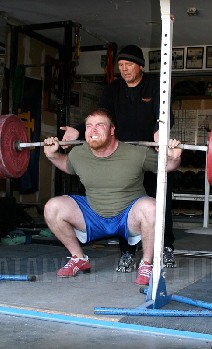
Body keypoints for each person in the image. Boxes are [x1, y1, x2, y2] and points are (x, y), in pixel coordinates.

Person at [61, 45, 177, 273]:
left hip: (150, 151)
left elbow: (164, 113)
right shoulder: (114, 88)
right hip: (123, 155)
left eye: (129, 65)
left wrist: (159, 129)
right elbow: (100, 115)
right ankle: (127, 252)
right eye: (121, 66)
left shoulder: (154, 84)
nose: (124, 70)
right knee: (126, 204)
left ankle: (166, 247)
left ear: (140, 65)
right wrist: (77, 129)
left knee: (160, 199)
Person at [43, 108, 182, 285]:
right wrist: (52, 155)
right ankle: (79, 258)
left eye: (100, 125)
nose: (93, 130)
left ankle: (147, 264)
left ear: (112, 130)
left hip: (128, 216)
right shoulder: (78, 153)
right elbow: (67, 165)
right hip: (93, 215)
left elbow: (167, 165)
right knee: (53, 207)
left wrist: (175, 157)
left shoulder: (136, 153)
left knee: (152, 207)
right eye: (89, 126)